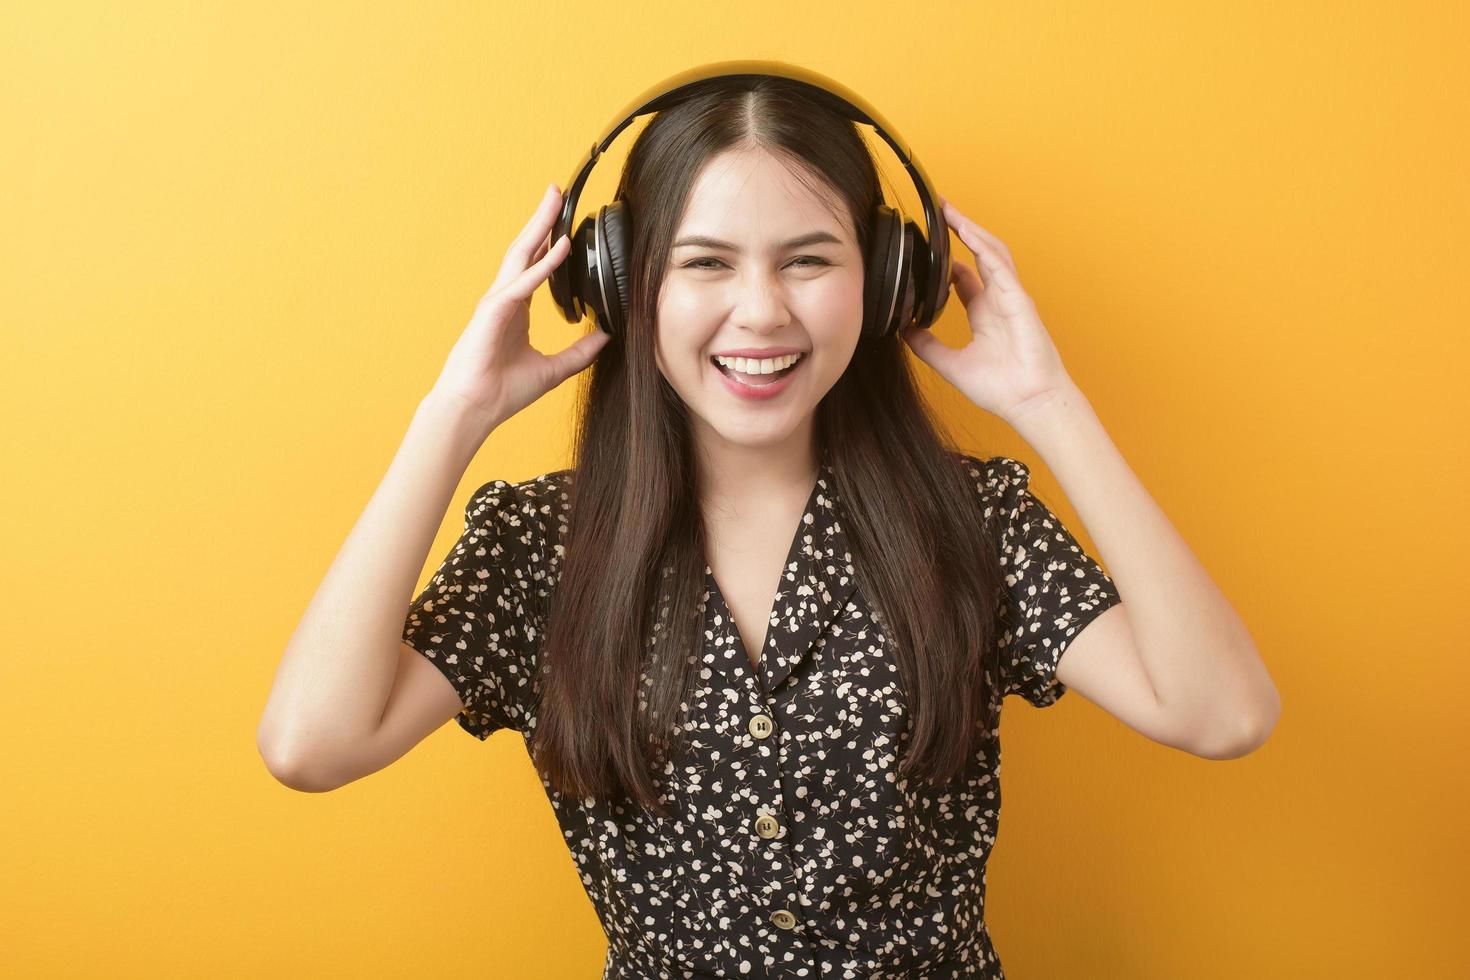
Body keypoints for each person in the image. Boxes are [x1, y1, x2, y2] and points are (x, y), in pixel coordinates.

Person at [257, 76, 1280, 979]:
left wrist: (1048, 400)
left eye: (808, 259)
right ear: (621, 283)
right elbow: (310, 741)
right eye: (704, 263)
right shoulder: (543, 548)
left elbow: (1222, 713)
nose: (760, 312)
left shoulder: (969, 521)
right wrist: (455, 413)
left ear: (884, 276)